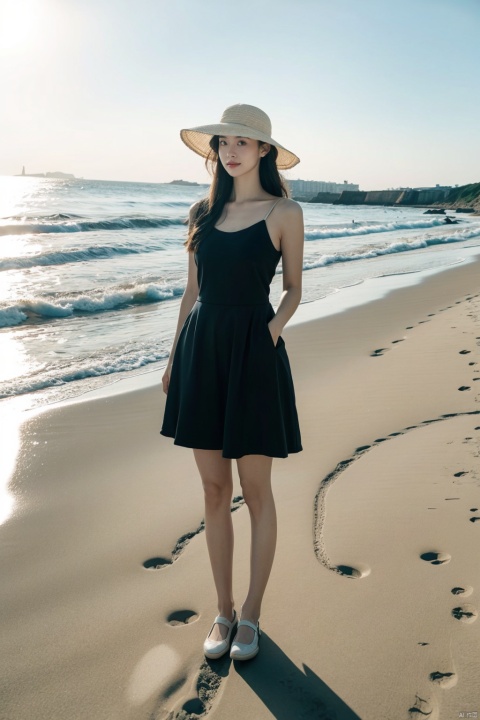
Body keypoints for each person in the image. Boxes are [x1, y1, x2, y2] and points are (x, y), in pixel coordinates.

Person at [160, 103, 304, 661]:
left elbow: (293, 288)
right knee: (214, 491)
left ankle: (253, 615)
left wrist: (268, 334)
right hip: (202, 352)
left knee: (256, 492)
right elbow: (190, 293)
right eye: (223, 142)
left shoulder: (284, 211)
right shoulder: (202, 211)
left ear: (264, 150)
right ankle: (222, 611)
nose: (231, 149)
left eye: (243, 142)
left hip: (254, 352)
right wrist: (175, 358)